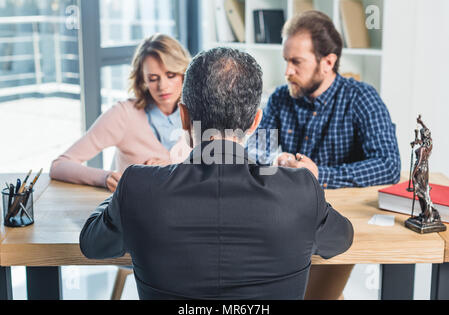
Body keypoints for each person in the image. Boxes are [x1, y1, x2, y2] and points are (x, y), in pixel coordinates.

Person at [79, 47, 353, 300]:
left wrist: (124, 191)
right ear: (255, 122)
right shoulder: (300, 190)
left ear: (183, 117)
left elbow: (92, 244)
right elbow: (342, 238)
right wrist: (310, 185)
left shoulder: (138, 186)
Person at [246, 11, 401, 299]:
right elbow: (255, 148)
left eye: (296, 62)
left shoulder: (361, 98)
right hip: (288, 221)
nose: (287, 71)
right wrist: (273, 161)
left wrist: (320, 175)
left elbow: (389, 165)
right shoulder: (281, 97)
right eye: (286, 61)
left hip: (336, 223)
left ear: (328, 62)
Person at [50, 34, 191, 192]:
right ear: (142, 80)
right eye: (152, 78)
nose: (162, 86)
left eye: (171, 75)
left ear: (184, 73)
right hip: (135, 212)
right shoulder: (124, 115)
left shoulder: (200, 113)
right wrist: (105, 178)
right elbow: (59, 166)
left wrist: (170, 168)